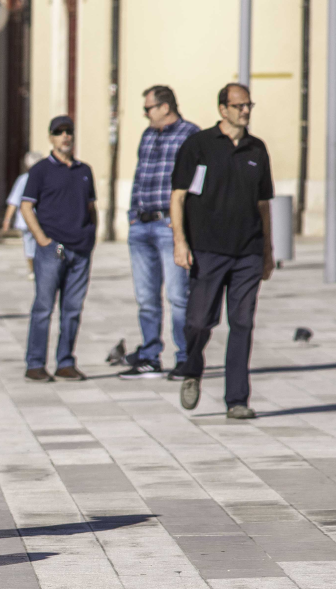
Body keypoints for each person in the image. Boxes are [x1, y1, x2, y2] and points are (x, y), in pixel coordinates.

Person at [171, 83, 274, 419]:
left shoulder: (257, 149)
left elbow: (263, 205)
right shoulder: (198, 146)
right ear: (223, 109)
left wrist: (268, 251)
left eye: (249, 105)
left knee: (242, 322)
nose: (245, 111)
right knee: (199, 322)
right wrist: (180, 242)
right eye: (239, 105)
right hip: (207, 249)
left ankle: (237, 400)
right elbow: (178, 197)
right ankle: (192, 367)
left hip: (247, 252)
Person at [120, 85, 201, 380]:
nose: (145, 114)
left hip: (170, 226)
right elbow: (140, 176)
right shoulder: (148, 135)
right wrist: (131, 216)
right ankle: (149, 356)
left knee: (179, 296)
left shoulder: (190, 134)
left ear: (165, 107)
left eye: (148, 108)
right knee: (146, 297)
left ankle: (185, 358)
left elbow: (197, 183)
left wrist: (183, 223)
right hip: (141, 225)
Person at [20, 115, 97, 383]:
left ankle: (65, 362)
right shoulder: (40, 170)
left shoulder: (84, 171)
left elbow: (91, 207)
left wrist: (91, 238)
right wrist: (42, 240)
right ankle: (35, 364)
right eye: (59, 132)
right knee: (43, 307)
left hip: (80, 250)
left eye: (69, 131)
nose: (65, 136)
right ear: (51, 137)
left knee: (73, 308)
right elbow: (26, 206)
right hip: (54, 248)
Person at [2, 151, 45, 279]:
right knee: (31, 246)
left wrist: (7, 220)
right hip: (28, 221)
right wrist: (7, 219)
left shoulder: (43, 179)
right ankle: (34, 270)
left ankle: (37, 270)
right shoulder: (23, 180)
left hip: (43, 220)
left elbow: (13, 202)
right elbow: (14, 201)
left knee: (36, 247)